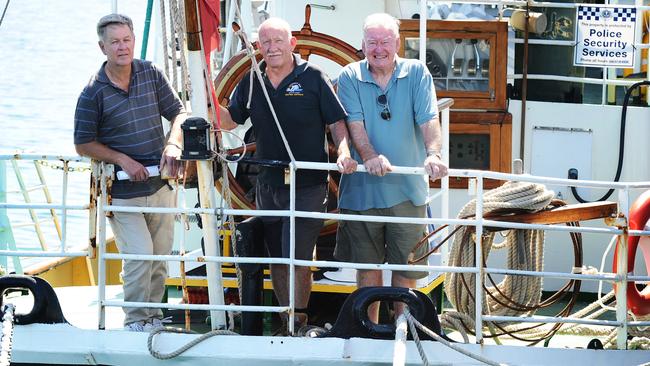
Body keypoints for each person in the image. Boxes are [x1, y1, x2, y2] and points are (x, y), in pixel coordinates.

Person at [218, 17, 357, 332]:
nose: (272, 48)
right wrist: (205, 96)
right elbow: (229, 121)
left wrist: (345, 152)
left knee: (296, 254)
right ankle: (287, 320)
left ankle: (299, 317)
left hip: (308, 184)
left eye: (278, 41)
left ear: (291, 43)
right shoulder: (253, 81)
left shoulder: (313, 78)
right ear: (259, 47)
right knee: (278, 258)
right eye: (265, 42)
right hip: (268, 185)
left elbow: (337, 122)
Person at [74, 14, 187, 331]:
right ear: (102, 47)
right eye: (115, 42)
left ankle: (152, 318)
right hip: (122, 193)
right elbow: (83, 144)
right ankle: (135, 322)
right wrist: (122, 159)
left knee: (159, 259)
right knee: (140, 257)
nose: (122, 47)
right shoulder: (92, 92)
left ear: (133, 41)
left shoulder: (150, 73)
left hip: (161, 186)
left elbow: (179, 113)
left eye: (126, 40)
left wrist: (173, 145)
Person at [334, 13, 449, 323]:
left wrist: (434, 154)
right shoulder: (348, 76)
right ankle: (368, 330)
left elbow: (429, 120)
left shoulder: (417, 73)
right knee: (367, 272)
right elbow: (354, 125)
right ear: (363, 45)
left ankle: (404, 330)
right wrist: (369, 156)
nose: (379, 48)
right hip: (361, 193)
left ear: (398, 43)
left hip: (408, 192)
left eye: (385, 41)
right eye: (372, 42)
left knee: (406, 271)